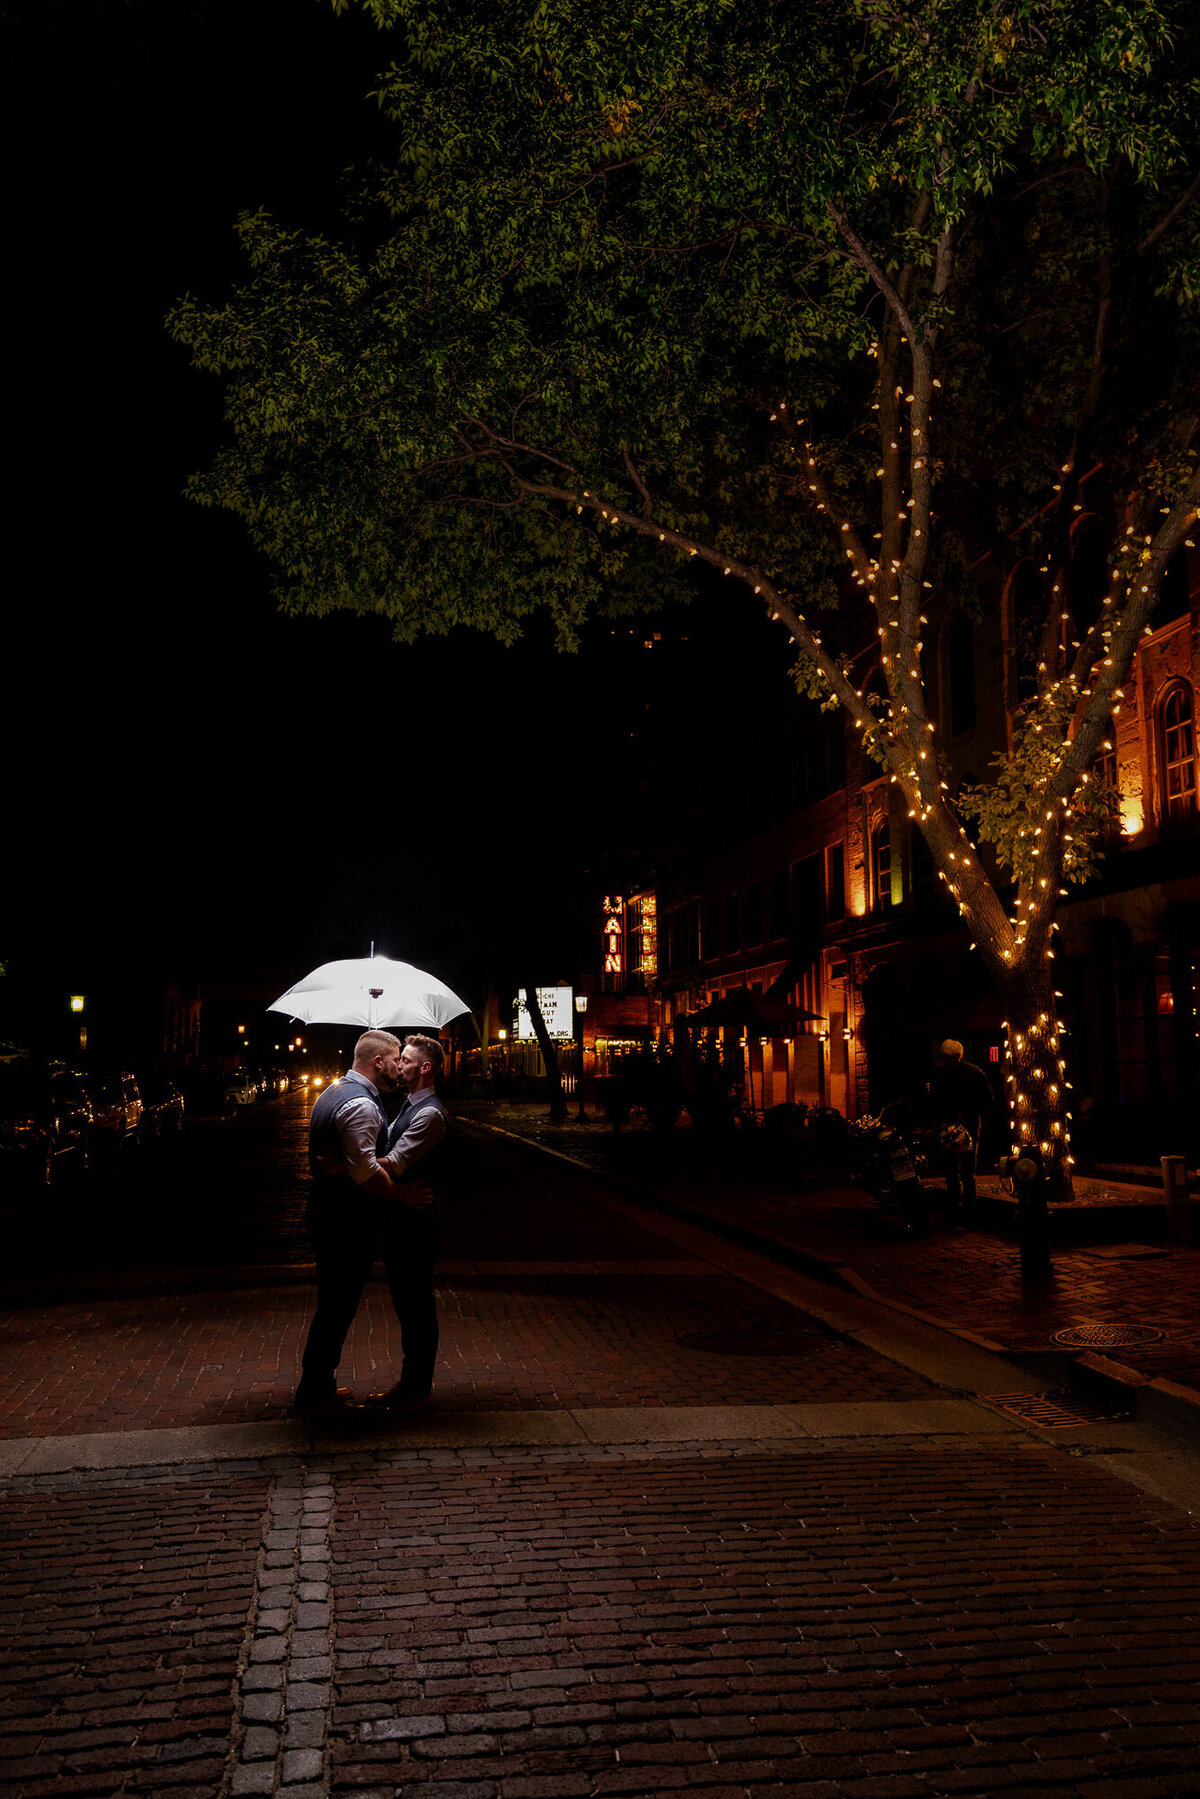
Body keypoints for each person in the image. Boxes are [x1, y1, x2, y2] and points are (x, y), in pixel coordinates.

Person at [294, 1028, 441, 1414]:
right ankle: (315, 1393)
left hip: (336, 1217)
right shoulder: (361, 1104)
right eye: (396, 1059)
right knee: (336, 1307)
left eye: (406, 1061)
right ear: (378, 1062)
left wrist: (347, 1167)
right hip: (344, 1222)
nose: (399, 1066)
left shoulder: (334, 1091)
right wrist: (398, 1193)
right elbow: (367, 1171)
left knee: (336, 1305)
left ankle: (319, 1385)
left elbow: (359, 1162)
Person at [928, 1038, 992, 1218]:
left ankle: (969, 1206)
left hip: (968, 1125)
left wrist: (967, 1114)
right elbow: (933, 1099)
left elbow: (987, 1100)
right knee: (950, 1169)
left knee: (967, 1169)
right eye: (947, 1059)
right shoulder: (940, 1073)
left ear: (959, 1057)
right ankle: (954, 1205)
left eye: (952, 1059)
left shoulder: (974, 1074)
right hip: (947, 1125)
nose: (949, 1063)